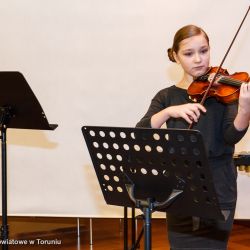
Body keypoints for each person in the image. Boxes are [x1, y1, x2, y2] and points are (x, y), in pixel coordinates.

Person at [136, 24, 250, 250]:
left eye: (204, 51)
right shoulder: (166, 96)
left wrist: (245, 109)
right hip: (180, 185)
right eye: (189, 54)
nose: (199, 59)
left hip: (219, 183)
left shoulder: (225, 91)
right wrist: (169, 112)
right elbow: (141, 133)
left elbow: (231, 136)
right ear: (176, 57)